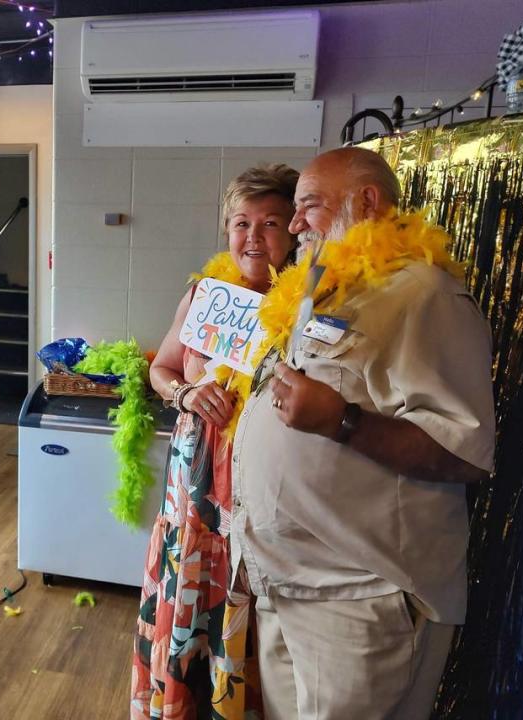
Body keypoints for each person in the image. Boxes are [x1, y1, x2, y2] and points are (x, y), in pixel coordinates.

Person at [231, 147, 496, 719]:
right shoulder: (321, 289)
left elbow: (466, 454)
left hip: (358, 599)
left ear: (367, 201)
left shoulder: (424, 294)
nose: (295, 223)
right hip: (285, 584)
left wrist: (342, 421)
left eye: (308, 206)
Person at [131, 165, 300, 719]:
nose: (253, 237)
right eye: (240, 222)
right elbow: (162, 368)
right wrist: (184, 394)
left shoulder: (309, 306)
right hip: (193, 486)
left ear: (295, 229)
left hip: (256, 491)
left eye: (270, 223)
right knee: (190, 601)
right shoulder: (206, 295)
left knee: (247, 610)